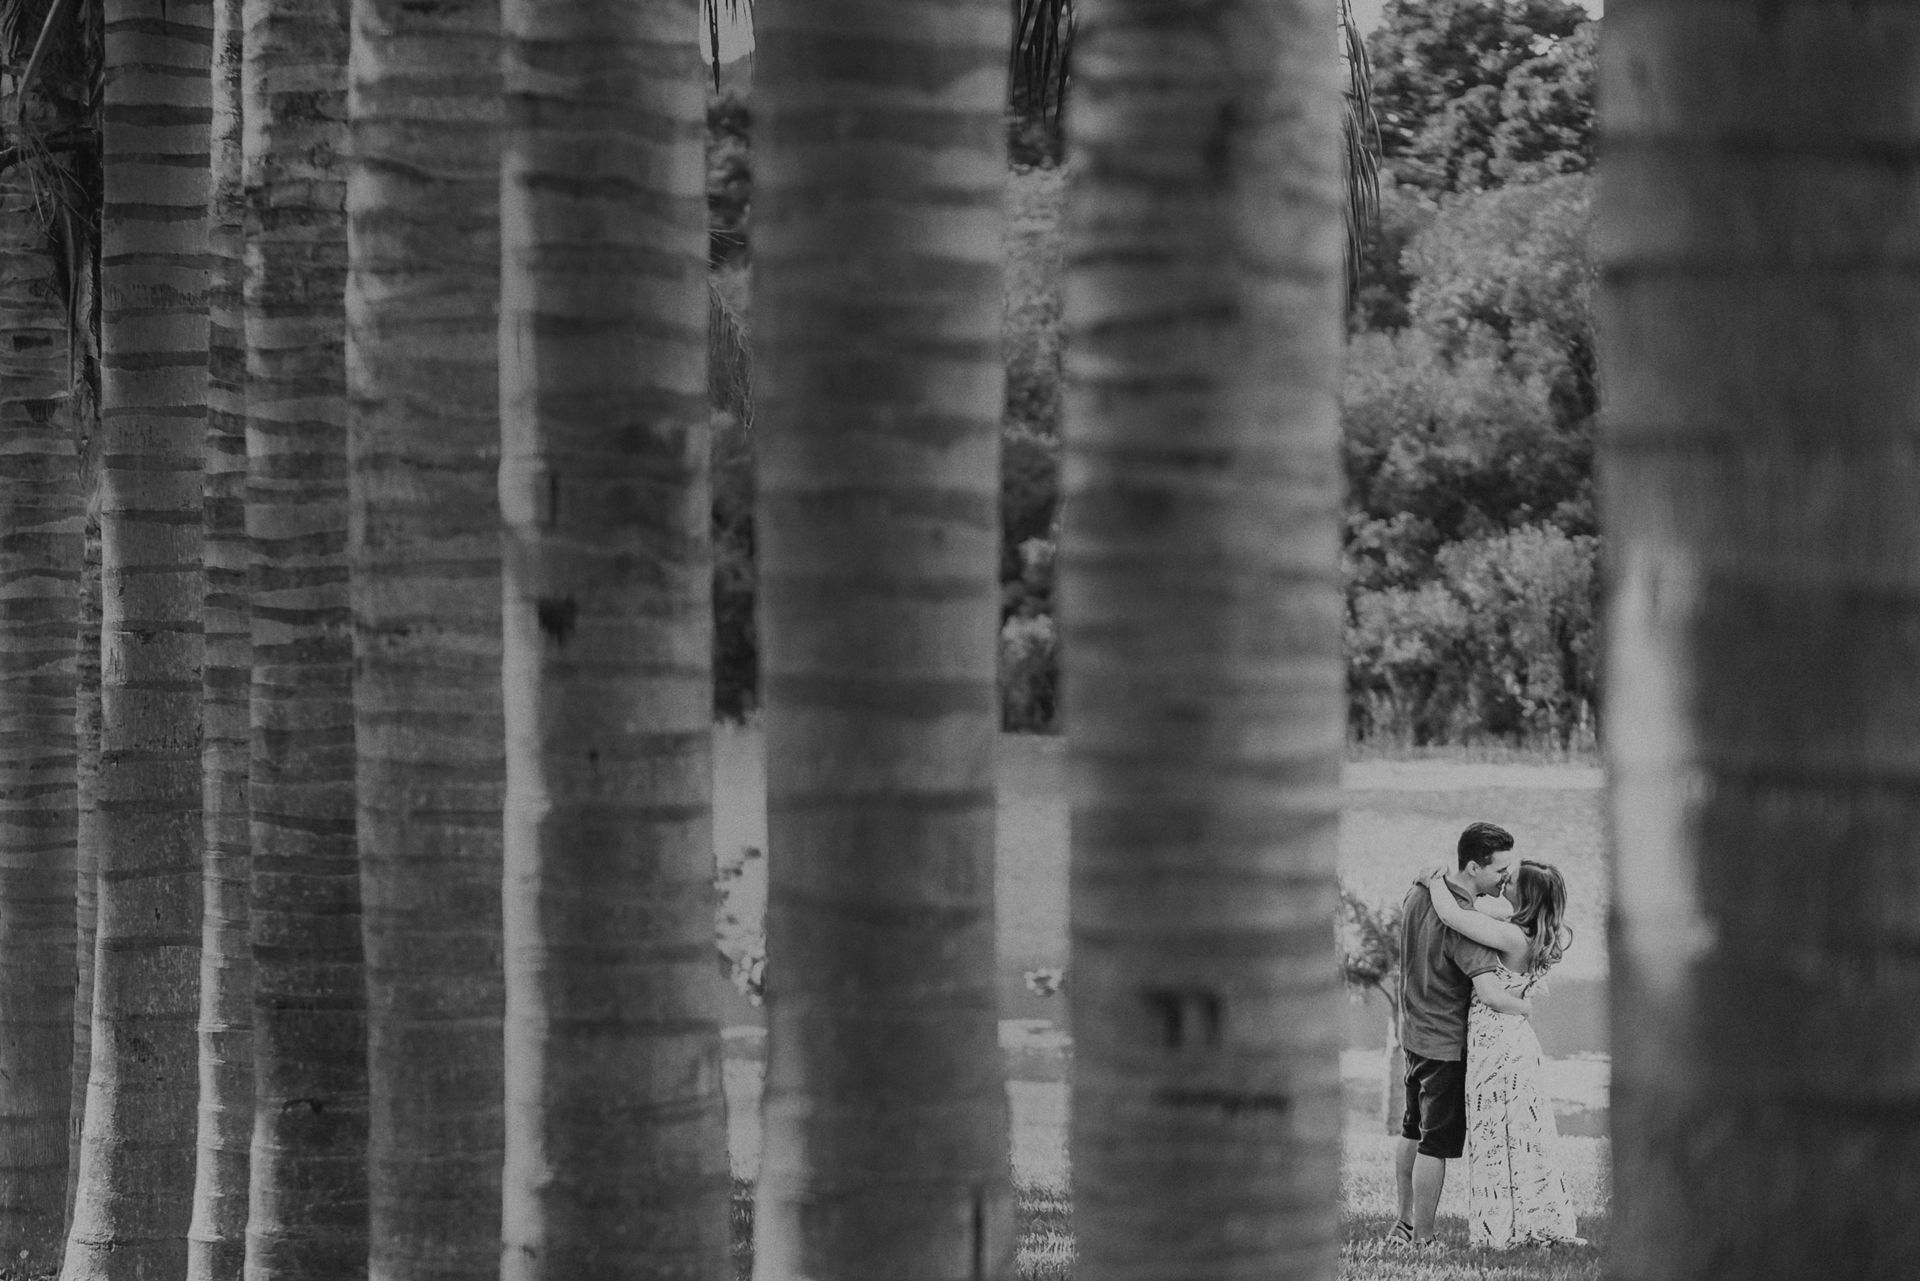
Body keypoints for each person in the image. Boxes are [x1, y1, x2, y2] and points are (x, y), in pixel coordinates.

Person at [1421, 857, 1586, 1250]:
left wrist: (1433, 881)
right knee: (1521, 1134)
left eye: (1512, 880)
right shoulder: (1529, 934)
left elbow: (1452, 917)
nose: (1505, 879)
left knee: (1497, 1132)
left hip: (1497, 1043)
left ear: (1525, 895)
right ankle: (1527, 1219)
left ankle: (1504, 1227)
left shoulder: (1512, 938)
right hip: (1515, 1041)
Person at [1387, 821, 1522, 1251]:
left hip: (1411, 1035)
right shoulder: (1466, 927)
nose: (1506, 878)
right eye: (1499, 870)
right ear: (1472, 866)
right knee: (1435, 1144)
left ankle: (1403, 1222)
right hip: (1444, 1046)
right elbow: (1488, 991)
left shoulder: (1418, 893)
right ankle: (1424, 1240)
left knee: (1411, 1130)